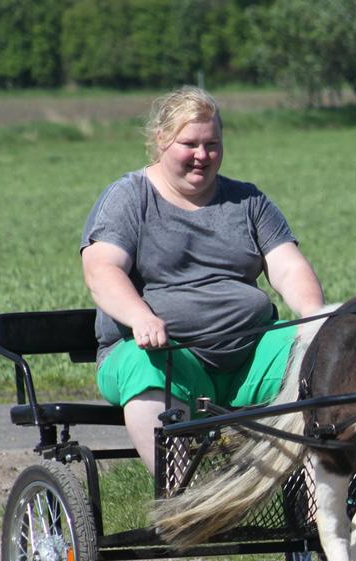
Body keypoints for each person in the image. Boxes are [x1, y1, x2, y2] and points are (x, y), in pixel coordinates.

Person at [81, 86, 324, 473]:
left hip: (248, 355)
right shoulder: (129, 197)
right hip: (164, 357)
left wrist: (314, 316)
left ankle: (321, 513)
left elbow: (288, 267)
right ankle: (185, 502)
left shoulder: (247, 201)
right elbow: (101, 269)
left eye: (212, 144)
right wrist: (140, 317)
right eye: (189, 143)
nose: (202, 156)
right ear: (161, 140)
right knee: (147, 366)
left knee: (320, 354)